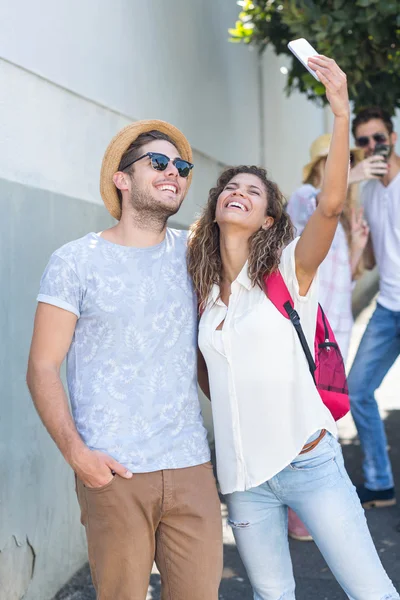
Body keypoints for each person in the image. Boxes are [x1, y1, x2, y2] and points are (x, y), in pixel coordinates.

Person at [187, 56, 399, 599]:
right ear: (215, 209)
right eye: (229, 187)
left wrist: (339, 108)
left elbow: (330, 205)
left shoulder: (289, 269)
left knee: (371, 592)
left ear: (270, 220)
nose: (238, 191)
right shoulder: (205, 292)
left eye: (253, 192)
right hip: (244, 483)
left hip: (310, 462)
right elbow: (212, 376)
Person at [26, 120, 223, 600]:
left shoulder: (195, 255)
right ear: (121, 178)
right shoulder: (76, 260)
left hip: (190, 465)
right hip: (113, 471)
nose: (173, 172)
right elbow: (42, 367)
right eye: (157, 162)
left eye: (181, 166)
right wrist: (79, 457)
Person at [286, 135, 369, 541]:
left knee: (330, 406)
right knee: (307, 407)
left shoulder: (348, 209)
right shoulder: (305, 196)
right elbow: (319, 205)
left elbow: (348, 276)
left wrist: (358, 245)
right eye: (341, 162)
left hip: (340, 322)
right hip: (310, 319)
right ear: (324, 163)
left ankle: (318, 506)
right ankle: (300, 510)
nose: (347, 169)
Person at [347, 106, 400, 509]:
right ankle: (380, 483)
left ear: (393, 138)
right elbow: (371, 262)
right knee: (358, 390)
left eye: (378, 138)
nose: (372, 147)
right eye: (363, 141)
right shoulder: (365, 189)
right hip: (386, 306)